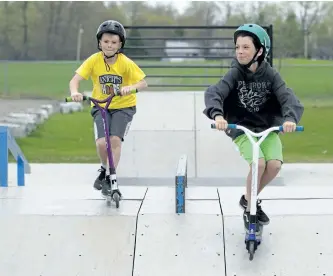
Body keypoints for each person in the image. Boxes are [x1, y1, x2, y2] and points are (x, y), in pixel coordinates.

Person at [203, 23, 304, 228]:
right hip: (242, 128)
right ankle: (251, 205)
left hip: (267, 128)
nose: (240, 52)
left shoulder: (271, 75)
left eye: (246, 47)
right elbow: (215, 92)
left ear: (259, 50)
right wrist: (218, 115)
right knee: (258, 164)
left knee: (274, 165)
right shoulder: (234, 73)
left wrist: (290, 119)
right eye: (237, 47)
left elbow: (287, 98)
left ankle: (248, 199)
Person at [69, 20, 148, 197]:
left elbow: (143, 82)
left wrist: (131, 88)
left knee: (114, 140)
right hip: (101, 105)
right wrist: (75, 92)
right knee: (101, 143)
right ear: (99, 43)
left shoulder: (125, 63)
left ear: (120, 44)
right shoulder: (93, 60)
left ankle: (110, 175)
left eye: (113, 42)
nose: (109, 45)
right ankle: (104, 169)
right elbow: (74, 80)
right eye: (106, 41)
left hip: (123, 107)